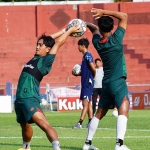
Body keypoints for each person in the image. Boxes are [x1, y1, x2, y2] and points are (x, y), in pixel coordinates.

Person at [14, 24, 81, 150]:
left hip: (30, 98)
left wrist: (70, 31)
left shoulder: (45, 61)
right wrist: (63, 30)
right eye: (37, 44)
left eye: (40, 45)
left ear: (48, 49)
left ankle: (57, 148)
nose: (37, 47)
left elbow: (58, 43)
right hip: (20, 99)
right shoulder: (35, 57)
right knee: (25, 125)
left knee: (44, 124)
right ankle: (26, 147)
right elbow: (49, 39)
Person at [82, 8, 130, 150]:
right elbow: (124, 15)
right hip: (118, 82)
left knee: (98, 115)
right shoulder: (116, 39)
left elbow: (94, 30)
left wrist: (84, 23)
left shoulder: (97, 43)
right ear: (112, 27)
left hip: (106, 83)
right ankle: (119, 144)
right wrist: (104, 12)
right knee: (123, 110)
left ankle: (87, 143)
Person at [72, 38, 96, 128]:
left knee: (85, 103)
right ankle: (91, 122)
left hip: (87, 83)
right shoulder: (84, 56)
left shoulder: (87, 55)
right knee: (88, 103)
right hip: (85, 82)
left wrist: (93, 77)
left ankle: (80, 123)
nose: (78, 47)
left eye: (79, 45)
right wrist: (77, 74)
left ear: (82, 46)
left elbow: (93, 68)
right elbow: (86, 71)